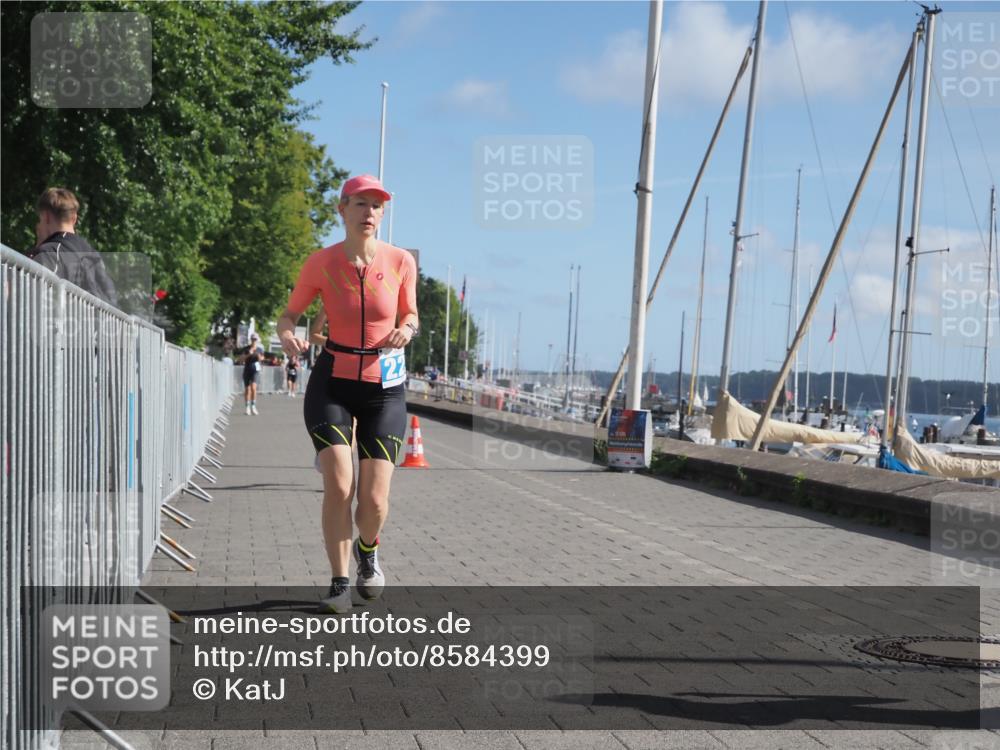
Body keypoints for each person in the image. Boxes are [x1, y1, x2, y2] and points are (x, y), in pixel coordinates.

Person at [277, 174, 418, 614]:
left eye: (377, 206)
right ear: (342, 210)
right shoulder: (320, 263)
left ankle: (368, 550)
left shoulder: (400, 262)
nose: (370, 213)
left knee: (374, 499)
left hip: (384, 385)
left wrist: (407, 330)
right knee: (339, 483)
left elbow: (410, 311)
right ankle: (339, 583)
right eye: (360, 204)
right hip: (333, 380)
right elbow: (290, 314)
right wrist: (287, 335)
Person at [28, 188, 118, 306]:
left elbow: (31, 298)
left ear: (46, 217)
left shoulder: (50, 252)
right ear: (74, 218)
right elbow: (112, 299)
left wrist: (38, 249)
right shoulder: (94, 256)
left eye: (40, 219)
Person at [241, 334, 264, 415]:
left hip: (255, 370)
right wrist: (249, 354)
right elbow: (241, 358)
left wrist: (258, 356)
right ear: (250, 339)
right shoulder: (246, 348)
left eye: (255, 339)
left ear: (257, 340)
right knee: (247, 389)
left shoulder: (259, 349)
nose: (254, 340)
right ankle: (247, 407)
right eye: (252, 339)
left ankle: (253, 406)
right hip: (247, 369)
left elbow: (262, 358)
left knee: (254, 388)